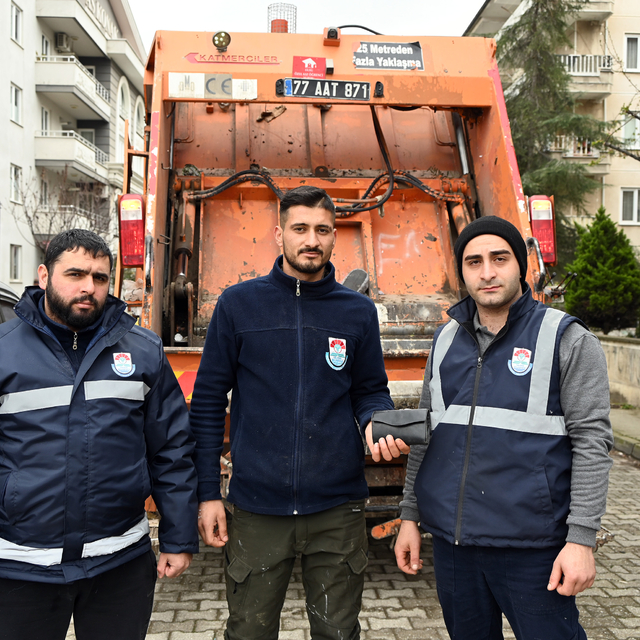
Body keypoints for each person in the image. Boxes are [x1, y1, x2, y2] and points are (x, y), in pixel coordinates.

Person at [190, 185, 407, 640]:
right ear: (279, 233)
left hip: (337, 509)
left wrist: (375, 422)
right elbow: (209, 403)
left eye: (323, 230)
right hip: (256, 508)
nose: (312, 239)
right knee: (248, 632)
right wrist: (209, 492)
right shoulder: (238, 305)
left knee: (338, 634)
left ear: (334, 237)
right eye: (300, 228)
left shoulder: (358, 312)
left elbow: (370, 391)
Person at [395, 216, 613, 640]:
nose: (488, 272)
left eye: (500, 258)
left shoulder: (565, 339)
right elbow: (427, 435)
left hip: (532, 550)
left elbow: (592, 444)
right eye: (474, 262)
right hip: (455, 547)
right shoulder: (443, 341)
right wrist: (409, 516)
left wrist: (582, 541)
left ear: (522, 265)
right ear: (461, 272)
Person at [0, 230, 199, 640]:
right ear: (43, 275)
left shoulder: (144, 351)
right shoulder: (4, 352)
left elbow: (172, 450)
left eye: (101, 278)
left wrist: (178, 537)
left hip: (119, 563)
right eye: (75, 274)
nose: (89, 287)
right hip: (20, 564)